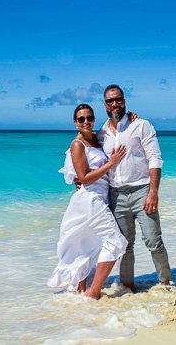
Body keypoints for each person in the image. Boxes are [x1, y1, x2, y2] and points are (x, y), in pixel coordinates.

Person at [48, 104, 129, 300]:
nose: (86, 122)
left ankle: (81, 290)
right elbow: (84, 178)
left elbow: (115, 120)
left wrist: (130, 115)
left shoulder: (95, 138)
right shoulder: (77, 145)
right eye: (82, 119)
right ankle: (94, 292)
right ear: (75, 123)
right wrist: (111, 163)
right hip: (90, 199)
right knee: (116, 242)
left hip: (99, 197)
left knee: (87, 244)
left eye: (90, 118)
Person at [98, 84, 172, 290]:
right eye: (110, 101)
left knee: (153, 240)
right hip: (116, 195)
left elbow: (155, 159)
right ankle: (127, 288)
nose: (115, 104)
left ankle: (166, 282)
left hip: (142, 191)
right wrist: (79, 178)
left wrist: (153, 192)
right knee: (125, 246)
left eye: (118, 99)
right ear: (104, 104)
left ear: (124, 101)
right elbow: (92, 159)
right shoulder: (101, 134)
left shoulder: (141, 125)